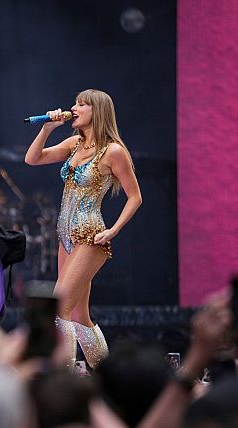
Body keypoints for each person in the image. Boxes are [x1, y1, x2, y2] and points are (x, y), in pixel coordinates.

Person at [24, 89, 142, 369]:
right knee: (78, 317)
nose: (73, 108)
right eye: (74, 103)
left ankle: (60, 380)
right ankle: (107, 376)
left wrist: (113, 230)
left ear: (97, 111)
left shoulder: (113, 151)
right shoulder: (74, 144)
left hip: (90, 236)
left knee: (58, 309)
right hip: (66, 237)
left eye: (81, 104)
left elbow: (135, 196)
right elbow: (32, 158)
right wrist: (47, 128)